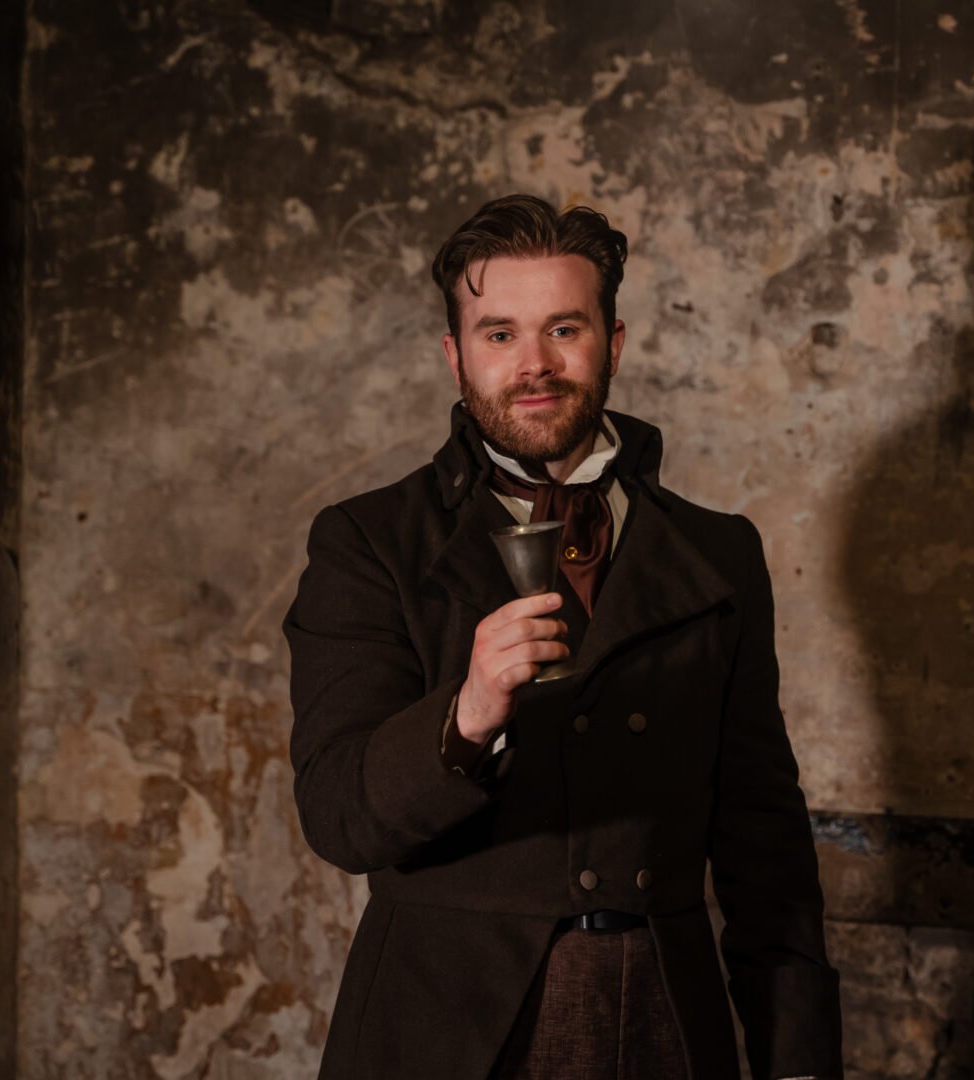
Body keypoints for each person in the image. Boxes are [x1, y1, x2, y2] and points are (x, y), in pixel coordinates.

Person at [283, 194, 842, 1080]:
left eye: (564, 329)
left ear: (612, 344)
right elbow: (339, 818)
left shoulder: (720, 551)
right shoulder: (366, 543)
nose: (533, 365)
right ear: (455, 356)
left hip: (667, 1023)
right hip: (444, 1035)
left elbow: (762, 838)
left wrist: (800, 1061)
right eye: (499, 334)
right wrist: (464, 718)